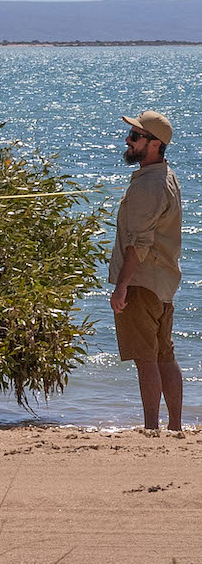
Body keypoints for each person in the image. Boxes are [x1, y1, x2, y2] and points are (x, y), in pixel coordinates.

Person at [109, 109, 183, 431]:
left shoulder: (148, 186)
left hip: (141, 281)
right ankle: (175, 428)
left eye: (136, 136)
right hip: (164, 284)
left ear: (154, 145)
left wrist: (122, 285)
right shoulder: (166, 176)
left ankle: (152, 428)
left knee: (146, 359)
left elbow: (137, 244)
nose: (129, 140)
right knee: (165, 355)